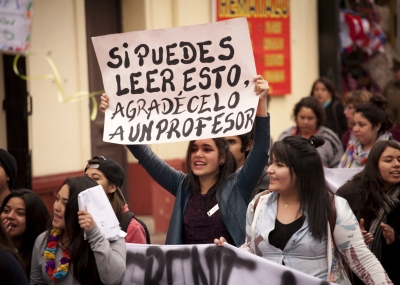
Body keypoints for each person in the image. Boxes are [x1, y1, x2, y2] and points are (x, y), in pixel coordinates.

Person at [99, 75, 270, 246]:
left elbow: (261, 151)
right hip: (187, 270)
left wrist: (261, 102)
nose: (198, 154)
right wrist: (116, 116)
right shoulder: (182, 185)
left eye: (207, 149)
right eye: (194, 149)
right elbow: (145, 156)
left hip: (229, 270)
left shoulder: (238, 186)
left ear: (222, 158)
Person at [215, 135, 392, 284]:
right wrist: (231, 252)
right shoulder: (258, 203)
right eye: (271, 163)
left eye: (279, 165)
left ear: (302, 171)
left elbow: (362, 261)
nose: (269, 170)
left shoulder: (333, 207)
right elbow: (251, 250)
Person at [30, 176, 126, 285]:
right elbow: (36, 282)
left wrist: (94, 234)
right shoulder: (43, 240)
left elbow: (113, 278)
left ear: (84, 209)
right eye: (57, 199)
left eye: (65, 203)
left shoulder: (112, 237)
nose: (56, 207)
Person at [337, 140, 400, 284]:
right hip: (355, 277)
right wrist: (353, 240)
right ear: (374, 164)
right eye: (388, 160)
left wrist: (395, 240)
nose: (396, 164)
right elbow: (330, 239)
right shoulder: (349, 194)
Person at [84, 155, 147, 244]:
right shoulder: (80, 217)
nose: (87, 182)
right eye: (86, 177)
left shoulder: (132, 228)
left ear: (112, 187)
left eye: (95, 178)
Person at [278, 96, 343, 168]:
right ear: (296, 116)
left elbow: (339, 166)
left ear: (318, 118)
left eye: (310, 118)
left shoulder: (329, 138)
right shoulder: (285, 136)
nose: (305, 122)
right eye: (302, 117)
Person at [0, 189, 49, 279]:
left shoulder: (44, 251)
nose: (10, 216)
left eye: (20, 213)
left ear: (33, 219)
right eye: (6, 210)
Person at [339, 95, 393, 168]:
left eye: (361, 125)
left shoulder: (391, 150)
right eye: (354, 124)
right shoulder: (352, 147)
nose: (355, 129)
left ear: (377, 126)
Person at [225, 130, 269, 199]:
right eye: (221, 142)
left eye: (231, 142)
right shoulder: (212, 176)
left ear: (248, 145)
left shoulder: (266, 180)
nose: (225, 147)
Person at [383, 59, 400, 126]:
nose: (394, 74)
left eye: (396, 71)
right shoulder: (389, 87)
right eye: (393, 71)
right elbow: (383, 104)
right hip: (394, 124)